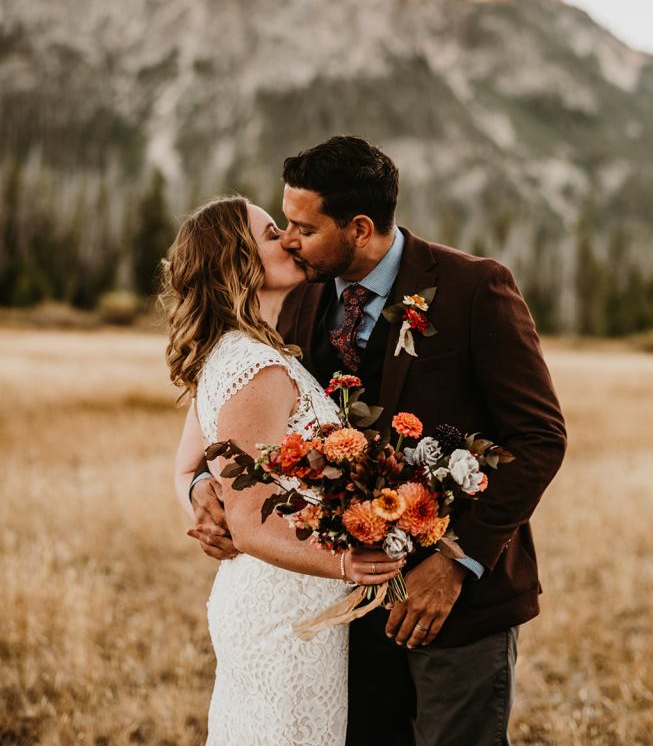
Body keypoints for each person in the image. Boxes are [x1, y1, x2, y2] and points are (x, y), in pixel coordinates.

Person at [187, 136, 567, 746]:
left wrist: (454, 562)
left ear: (359, 228)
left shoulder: (475, 289)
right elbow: (245, 417)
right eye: (282, 224)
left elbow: (541, 438)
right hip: (348, 613)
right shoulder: (297, 295)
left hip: (459, 608)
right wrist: (209, 486)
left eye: (302, 226)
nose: (287, 239)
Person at [166, 195, 404, 746]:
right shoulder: (258, 368)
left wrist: (202, 490)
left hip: (285, 604)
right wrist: (346, 561)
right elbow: (249, 524)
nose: (291, 239)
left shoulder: (238, 352)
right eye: (273, 233)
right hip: (284, 615)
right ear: (239, 262)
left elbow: (186, 471)